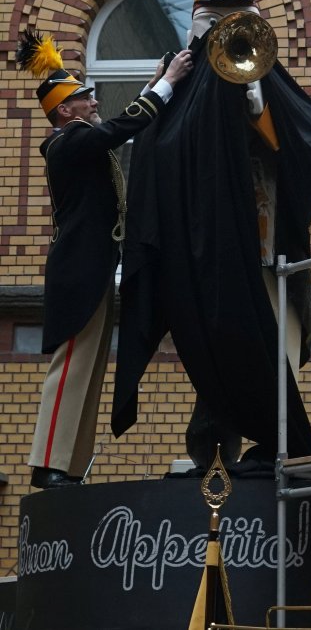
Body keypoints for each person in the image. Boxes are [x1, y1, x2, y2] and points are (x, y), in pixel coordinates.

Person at [111, 0, 311, 468]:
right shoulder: (178, 76)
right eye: (214, 15)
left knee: (267, 337)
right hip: (203, 245)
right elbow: (154, 150)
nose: (226, 25)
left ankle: (275, 440)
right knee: (213, 348)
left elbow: (305, 144)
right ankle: (213, 444)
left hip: (260, 241)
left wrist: (256, 100)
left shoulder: (269, 76)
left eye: (237, 11)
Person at [16, 28, 192, 488]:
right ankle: (48, 463)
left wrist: (153, 84)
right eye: (84, 98)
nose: (93, 102)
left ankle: (68, 466)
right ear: (64, 111)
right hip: (80, 271)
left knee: (89, 369)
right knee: (72, 366)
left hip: (91, 268)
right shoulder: (69, 142)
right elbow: (119, 128)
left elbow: (117, 126)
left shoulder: (78, 140)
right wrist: (166, 84)